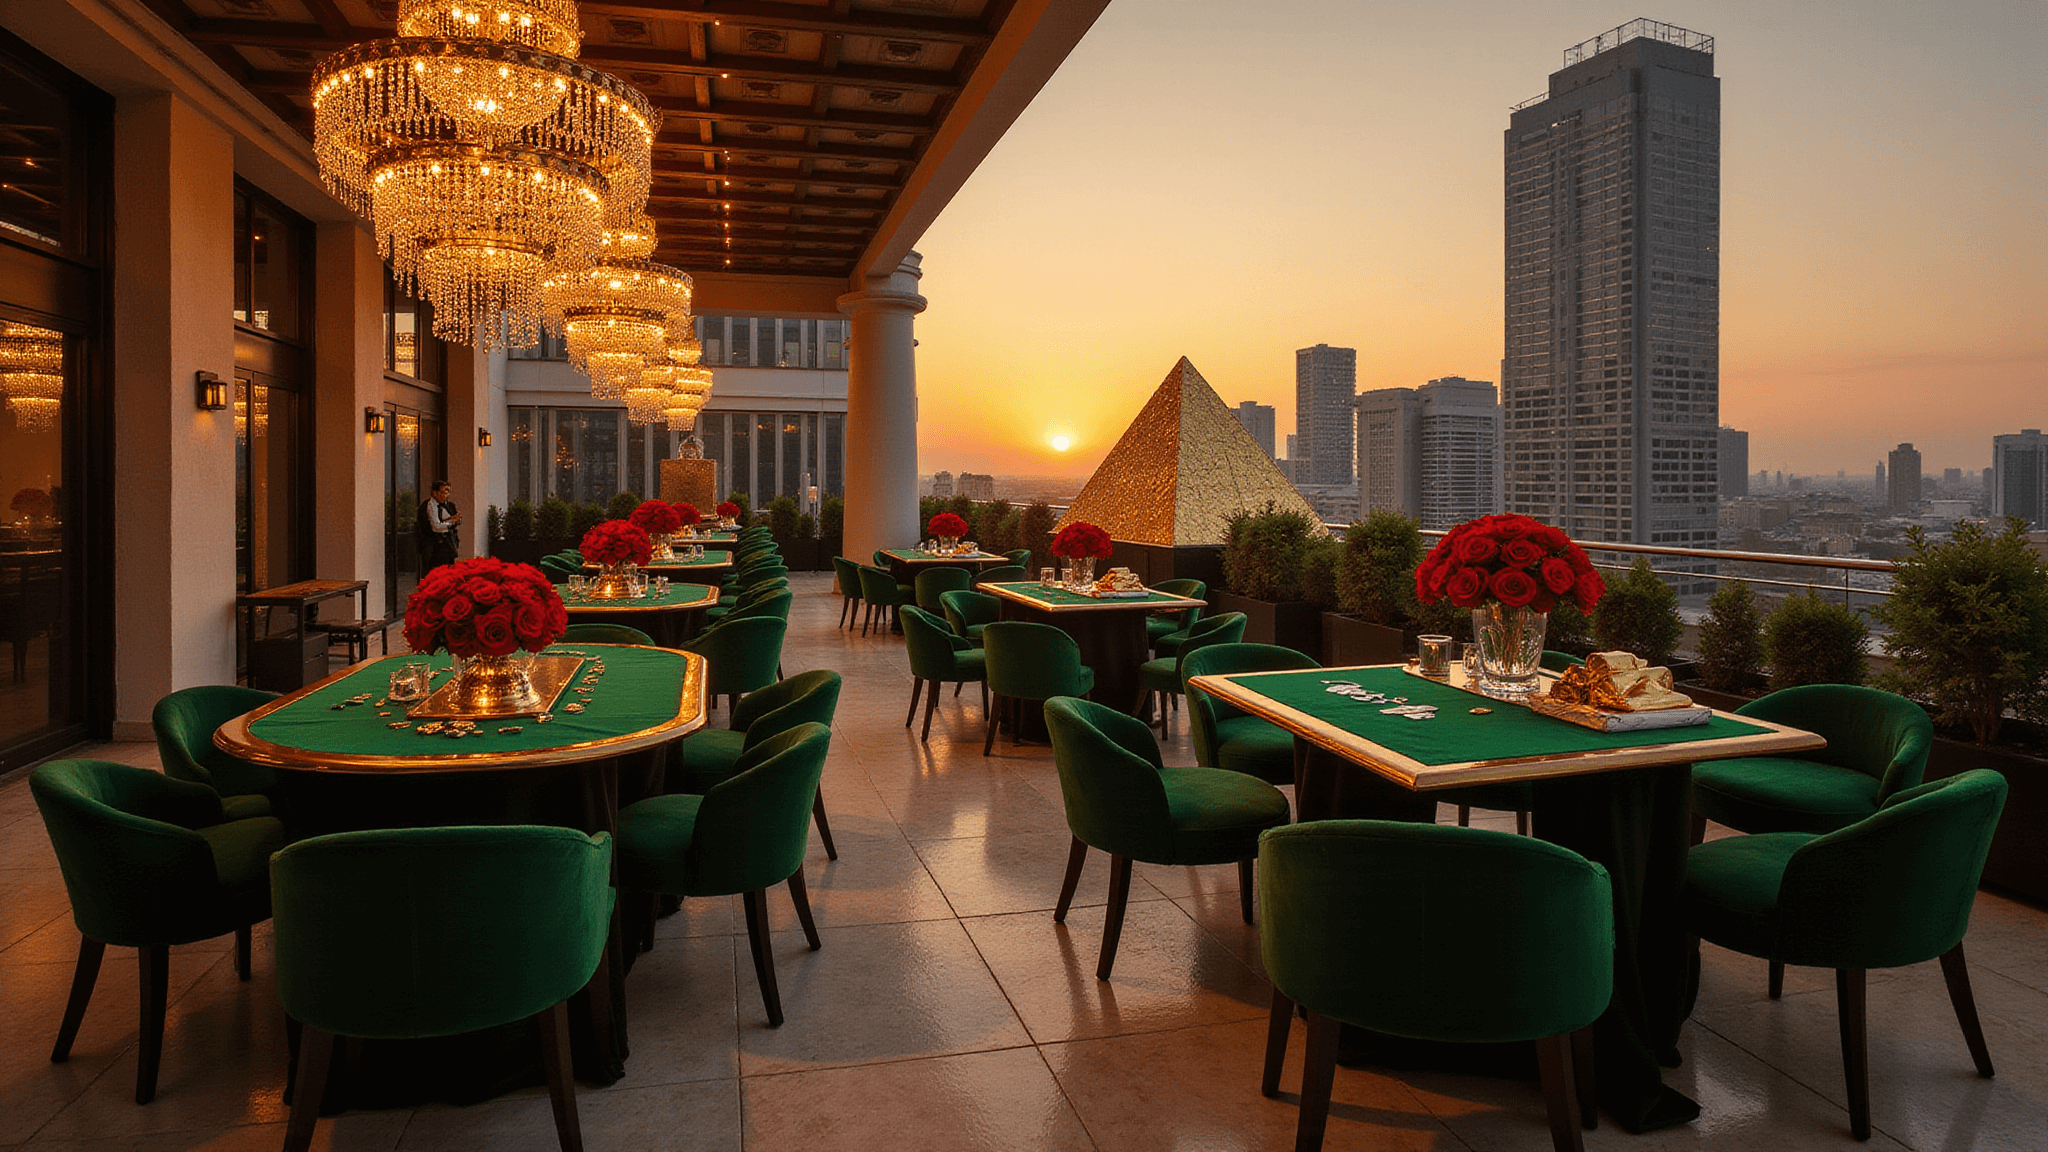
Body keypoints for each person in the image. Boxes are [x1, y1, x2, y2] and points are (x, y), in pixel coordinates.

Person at [417, 480, 461, 572]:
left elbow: (454, 519)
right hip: (433, 548)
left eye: (448, 492)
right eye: (444, 492)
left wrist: (456, 520)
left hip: (448, 547)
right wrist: (451, 522)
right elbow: (436, 527)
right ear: (435, 493)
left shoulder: (449, 505)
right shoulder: (429, 506)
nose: (447, 495)